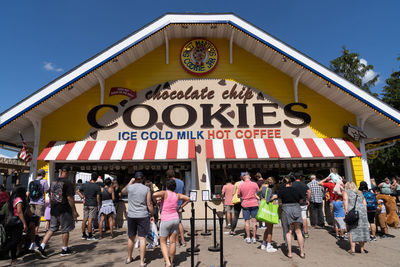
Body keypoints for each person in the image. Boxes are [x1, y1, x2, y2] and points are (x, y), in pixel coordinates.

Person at [36, 165, 79, 258]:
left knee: (51, 228)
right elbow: (70, 198)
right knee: (65, 229)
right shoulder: (68, 183)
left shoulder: (53, 182)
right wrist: (74, 211)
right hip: (64, 209)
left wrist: (51, 207)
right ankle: (64, 249)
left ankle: (41, 247)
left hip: (54, 209)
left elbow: (51, 196)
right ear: (67, 172)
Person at [153, 179, 190, 267]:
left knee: (163, 242)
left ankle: (167, 262)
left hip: (166, 220)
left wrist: (157, 200)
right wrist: (180, 206)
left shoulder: (164, 193)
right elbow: (188, 199)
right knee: (173, 242)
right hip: (175, 219)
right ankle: (171, 262)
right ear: (175, 187)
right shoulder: (177, 195)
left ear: (166, 186)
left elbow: (154, 194)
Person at [122, 171, 154, 266]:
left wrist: (130, 182)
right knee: (142, 238)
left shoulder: (130, 187)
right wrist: (152, 214)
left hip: (131, 215)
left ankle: (129, 258)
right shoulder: (146, 189)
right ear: (143, 178)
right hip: (143, 215)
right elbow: (149, 204)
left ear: (135, 179)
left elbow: (122, 192)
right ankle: (141, 262)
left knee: (131, 238)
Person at [1, 186, 30, 265]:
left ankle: (14, 259)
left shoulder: (11, 199)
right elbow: (19, 212)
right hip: (16, 222)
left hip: (9, 222)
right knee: (16, 240)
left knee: (12, 241)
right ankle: (2, 251)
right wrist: (24, 223)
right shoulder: (19, 200)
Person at [278, 177, 305, 259]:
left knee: (288, 231)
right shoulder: (296, 190)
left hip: (286, 209)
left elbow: (279, 203)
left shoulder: (281, 190)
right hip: (296, 208)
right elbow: (301, 201)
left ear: (283, 183)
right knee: (298, 231)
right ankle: (302, 252)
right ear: (291, 182)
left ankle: (289, 253)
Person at [343, 182, 369, 254]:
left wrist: (345, 210)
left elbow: (345, 200)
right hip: (362, 212)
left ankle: (352, 249)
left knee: (352, 230)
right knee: (362, 230)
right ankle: (362, 249)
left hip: (353, 212)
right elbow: (365, 203)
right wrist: (364, 212)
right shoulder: (359, 192)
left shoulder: (346, 192)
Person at [77, 172, 100, 240]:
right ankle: (90, 235)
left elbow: (78, 191)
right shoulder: (97, 186)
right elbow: (98, 197)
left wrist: (82, 196)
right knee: (90, 220)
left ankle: (83, 234)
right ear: (96, 178)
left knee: (84, 219)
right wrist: (98, 205)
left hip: (86, 203)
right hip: (93, 204)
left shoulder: (85, 184)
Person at [237, 172, 259, 244]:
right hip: (254, 203)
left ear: (243, 178)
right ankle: (254, 238)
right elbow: (258, 192)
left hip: (245, 204)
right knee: (254, 221)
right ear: (249, 177)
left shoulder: (241, 185)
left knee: (247, 221)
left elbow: (238, 195)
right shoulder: (255, 184)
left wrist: (243, 196)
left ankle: (248, 237)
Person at [28, 169, 49, 241]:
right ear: (43, 174)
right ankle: (35, 234)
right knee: (37, 219)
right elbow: (46, 190)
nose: (45, 175)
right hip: (39, 202)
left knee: (31, 218)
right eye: (44, 174)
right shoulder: (44, 181)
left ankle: (30, 232)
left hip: (31, 202)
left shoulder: (32, 181)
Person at [258, 177, 278, 252]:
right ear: (272, 183)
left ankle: (263, 243)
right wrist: (274, 197)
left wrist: (260, 199)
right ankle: (269, 245)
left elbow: (257, 194)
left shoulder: (263, 188)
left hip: (264, 210)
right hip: (269, 210)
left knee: (267, 228)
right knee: (270, 229)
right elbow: (267, 200)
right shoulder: (269, 189)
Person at [167, 170, 186, 247]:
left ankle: (177, 242)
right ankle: (183, 240)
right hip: (179, 204)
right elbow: (184, 192)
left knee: (174, 224)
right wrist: (181, 204)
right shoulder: (181, 182)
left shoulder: (169, 183)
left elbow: (167, 194)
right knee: (179, 222)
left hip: (172, 205)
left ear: (168, 176)